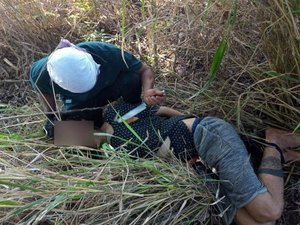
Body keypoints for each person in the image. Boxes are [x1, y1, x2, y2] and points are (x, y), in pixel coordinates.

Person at [94, 101, 300, 225]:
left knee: (269, 210)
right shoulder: (113, 158)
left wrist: (189, 124)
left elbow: (163, 110)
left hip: (206, 135)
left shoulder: (115, 114)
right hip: (199, 171)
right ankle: (277, 154)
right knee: (262, 222)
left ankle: (273, 140)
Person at [29, 39, 166, 137]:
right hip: (81, 104)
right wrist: (52, 116)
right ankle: (95, 128)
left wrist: (148, 90)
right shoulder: (40, 73)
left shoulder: (106, 52)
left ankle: (134, 109)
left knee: (131, 79)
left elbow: (145, 70)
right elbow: (44, 92)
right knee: (57, 131)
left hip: (109, 89)